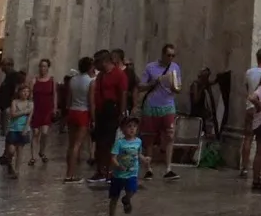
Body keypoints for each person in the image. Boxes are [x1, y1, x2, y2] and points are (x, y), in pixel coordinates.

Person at [138, 43, 182, 181]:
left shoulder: (175, 68)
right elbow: (140, 86)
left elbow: (178, 87)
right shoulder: (150, 67)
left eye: (173, 56)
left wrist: (175, 87)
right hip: (151, 106)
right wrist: (154, 82)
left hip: (168, 105)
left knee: (169, 136)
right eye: (168, 55)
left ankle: (168, 168)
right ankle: (148, 168)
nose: (171, 58)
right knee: (149, 138)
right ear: (163, 54)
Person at [89, 50, 129, 184]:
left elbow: (123, 94)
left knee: (110, 142)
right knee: (100, 142)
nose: (95, 65)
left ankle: (110, 171)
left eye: (97, 62)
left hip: (112, 109)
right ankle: (100, 170)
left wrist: (122, 113)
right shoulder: (100, 75)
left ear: (105, 61)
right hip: (101, 111)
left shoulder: (119, 74)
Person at [105, 116, 147, 216]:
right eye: (129, 126)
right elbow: (113, 157)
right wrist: (118, 166)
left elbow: (138, 154)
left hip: (132, 173)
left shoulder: (138, 141)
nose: (132, 129)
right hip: (118, 175)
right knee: (114, 197)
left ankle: (126, 199)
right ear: (123, 129)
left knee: (132, 190)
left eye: (134, 126)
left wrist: (144, 160)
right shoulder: (119, 143)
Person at [239, 47, 261, 178]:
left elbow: (247, 89)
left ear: (257, 58)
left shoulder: (249, 72)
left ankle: (244, 167)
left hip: (250, 107)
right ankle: (259, 168)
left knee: (247, 138)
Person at [64, 56, 94, 182]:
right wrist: (93, 118)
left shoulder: (72, 80)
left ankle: (68, 172)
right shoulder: (90, 81)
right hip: (83, 112)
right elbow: (91, 101)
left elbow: (68, 99)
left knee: (71, 144)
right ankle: (71, 174)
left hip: (72, 111)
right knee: (77, 144)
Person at [30, 59, 56, 167]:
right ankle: (32, 156)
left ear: (48, 67)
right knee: (35, 133)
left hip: (47, 109)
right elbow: (30, 95)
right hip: (36, 108)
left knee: (44, 133)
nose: (42, 68)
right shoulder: (34, 80)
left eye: (44, 66)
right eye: (41, 66)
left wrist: (55, 107)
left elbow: (54, 94)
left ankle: (42, 151)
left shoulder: (52, 80)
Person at [5, 82, 33, 179]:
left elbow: (29, 118)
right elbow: (13, 114)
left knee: (20, 150)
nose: (25, 93)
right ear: (19, 92)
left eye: (27, 92)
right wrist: (25, 111)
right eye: (23, 91)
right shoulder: (15, 102)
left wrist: (26, 128)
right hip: (13, 129)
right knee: (11, 150)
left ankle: (17, 171)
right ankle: (9, 162)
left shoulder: (30, 103)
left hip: (23, 129)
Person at [0, 64, 21, 165]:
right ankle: (6, 154)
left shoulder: (14, 76)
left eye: (4, 64)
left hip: (8, 108)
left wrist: (11, 105)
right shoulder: (7, 76)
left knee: (9, 131)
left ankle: (8, 155)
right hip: (4, 107)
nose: (2, 67)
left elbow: (16, 91)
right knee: (6, 132)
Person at [189, 67, 220, 139]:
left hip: (201, 115)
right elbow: (195, 100)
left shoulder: (205, 83)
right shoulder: (195, 84)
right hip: (195, 114)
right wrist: (202, 88)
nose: (207, 79)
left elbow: (213, 82)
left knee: (203, 135)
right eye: (205, 77)